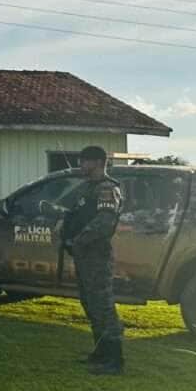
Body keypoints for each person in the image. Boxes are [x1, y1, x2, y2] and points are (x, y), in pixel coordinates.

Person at [62, 145, 125, 375]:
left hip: (97, 255)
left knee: (103, 305)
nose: (81, 165)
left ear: (98, 162)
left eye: (85, 161)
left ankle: (114, 359)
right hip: (84, 255)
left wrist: (79, 240)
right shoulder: (88, 188)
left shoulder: (107, 188)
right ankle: (100, 352)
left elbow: (104, 222)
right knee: (90, 304)